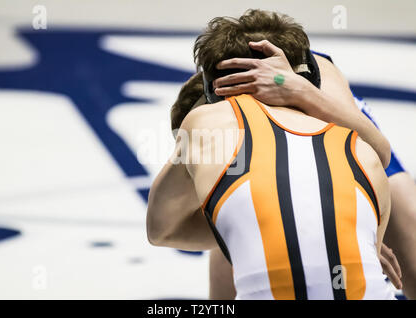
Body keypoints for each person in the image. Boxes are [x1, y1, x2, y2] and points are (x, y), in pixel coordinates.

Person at [147, 10, 395, 300]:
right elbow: (380, 153)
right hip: (368, 263)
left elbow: (159, 230)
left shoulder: (206, 120)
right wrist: (302, 93)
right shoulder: (362, 150)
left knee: (230, 209)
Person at [210, 25, 416, 301]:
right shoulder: (215, 100)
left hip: (347, 148)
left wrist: (297, 90)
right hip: (267, 162)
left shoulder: (317, 69)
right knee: (237, 236)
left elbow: (379, 153)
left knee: (411, 250)